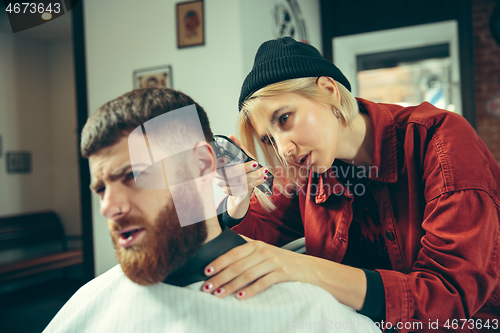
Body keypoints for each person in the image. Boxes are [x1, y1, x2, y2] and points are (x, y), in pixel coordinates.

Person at [201, 37, 500, 333]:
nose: (283, 149)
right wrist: (236, 204)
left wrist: (299, 267)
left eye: (284, 119)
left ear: (329, 91)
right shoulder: (310, 172)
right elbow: (252, 233)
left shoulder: (440, 141)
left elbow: (449, 298)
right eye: (268, 139)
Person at [43, 88, 381, 333]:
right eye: (101, 188)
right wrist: (235, 208)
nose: (108, 208)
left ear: (203, 163)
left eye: (133, 176)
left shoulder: (312, 314)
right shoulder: (87, 305)